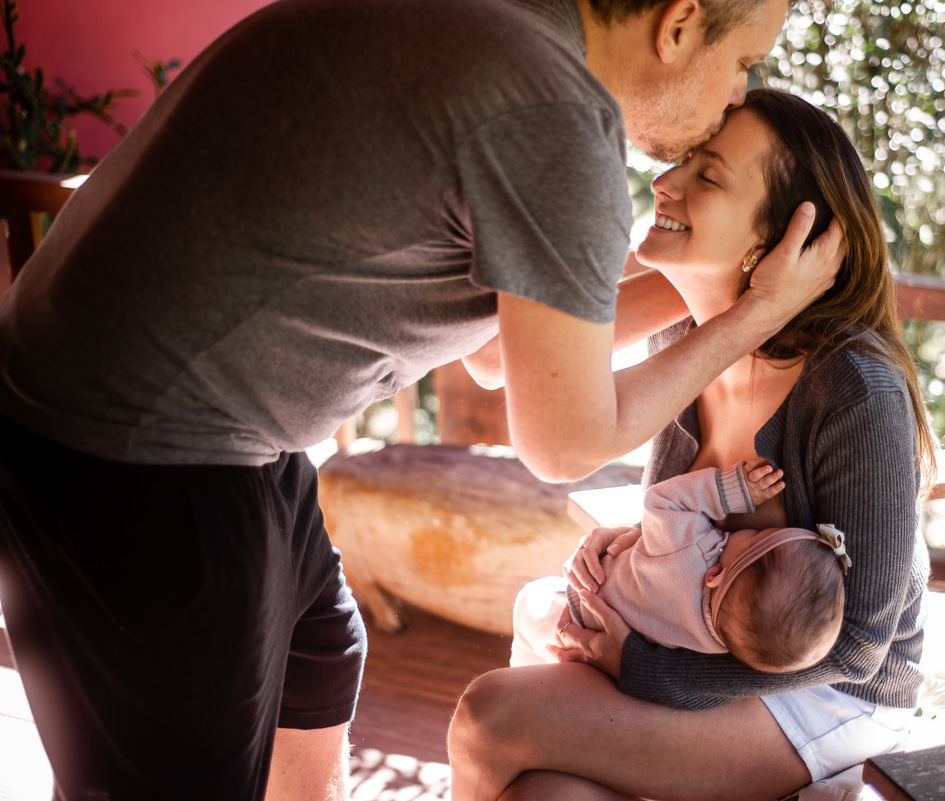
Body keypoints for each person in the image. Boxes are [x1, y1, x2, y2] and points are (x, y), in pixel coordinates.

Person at [0, 1, 846, 799]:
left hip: (196, 413)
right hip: (140, 445)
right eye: (743, 60)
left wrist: (734, 294)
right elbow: (566, 442)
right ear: (680, 24)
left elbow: (489, 355)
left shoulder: (492, 33)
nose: (739, 88)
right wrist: (762, 313)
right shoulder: (554, 110)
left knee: (319, 654)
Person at [447, 87, 939, 801]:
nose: (662, 181)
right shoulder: (691, 338)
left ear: (777, 243)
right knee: (547, 793)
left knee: (490, 717)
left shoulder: (855, 389)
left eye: (707, 176)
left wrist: (648, 669)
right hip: (692, 640)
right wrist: (632, 548)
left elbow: (861, 645)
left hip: (827, 697)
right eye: (684, 161)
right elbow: (494, 357)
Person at [510, 460, 851, 673]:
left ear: (716, 575)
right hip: (606, 666)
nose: (738, 528)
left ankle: (520, 670)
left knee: (530, 599)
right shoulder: (720, 642)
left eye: (751, 537)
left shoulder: (692, 552)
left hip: (572, 612)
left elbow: (661, 500)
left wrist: (736, 489)